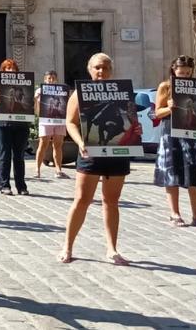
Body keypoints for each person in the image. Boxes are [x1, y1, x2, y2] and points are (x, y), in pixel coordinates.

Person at [59, 52, 131, 266]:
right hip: (90, 151)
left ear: (111, 70)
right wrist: (80, 143)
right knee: (82, 200)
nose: (101, 71)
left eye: (106, 68)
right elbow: (70, 122)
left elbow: (128, 121)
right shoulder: (79, 93)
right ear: (90, 70)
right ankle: (67, 246)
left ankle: (112, 249)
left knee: (111, 201)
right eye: (97, 67)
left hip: (117, 151)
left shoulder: (121, 92)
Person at [153, 55, 196, 228]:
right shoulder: (165, 86)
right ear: (173, 70)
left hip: (192, 132)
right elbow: (157, 113)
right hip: (170, 131)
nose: (184, 76)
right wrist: (169, 108)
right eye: (181, 72)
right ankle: (174, 213)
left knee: (194, 171)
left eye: (187, 73)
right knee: (172, 170)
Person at [0, 59, 30, 196]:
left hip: (21, 123)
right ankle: (4, 185)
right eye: (7, 68)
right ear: (3, 71)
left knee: (19, 155)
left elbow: (29, 107)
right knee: (5, 154)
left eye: (13, 68)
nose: (11, 71)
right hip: (3, 124)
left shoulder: (24, 86)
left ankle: (21, 186)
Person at [34, 70, 69, 179]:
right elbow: (36, 110)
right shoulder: (40, 91)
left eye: (53, 78)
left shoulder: (62, 90)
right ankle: (37, 170)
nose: (51, 80)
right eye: (49, 78)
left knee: (58, 145)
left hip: (59, 120)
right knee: (43, 144)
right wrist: (36, 100)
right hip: (45, 120)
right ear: (45, 79)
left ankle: (58, 170)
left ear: (56, 79)